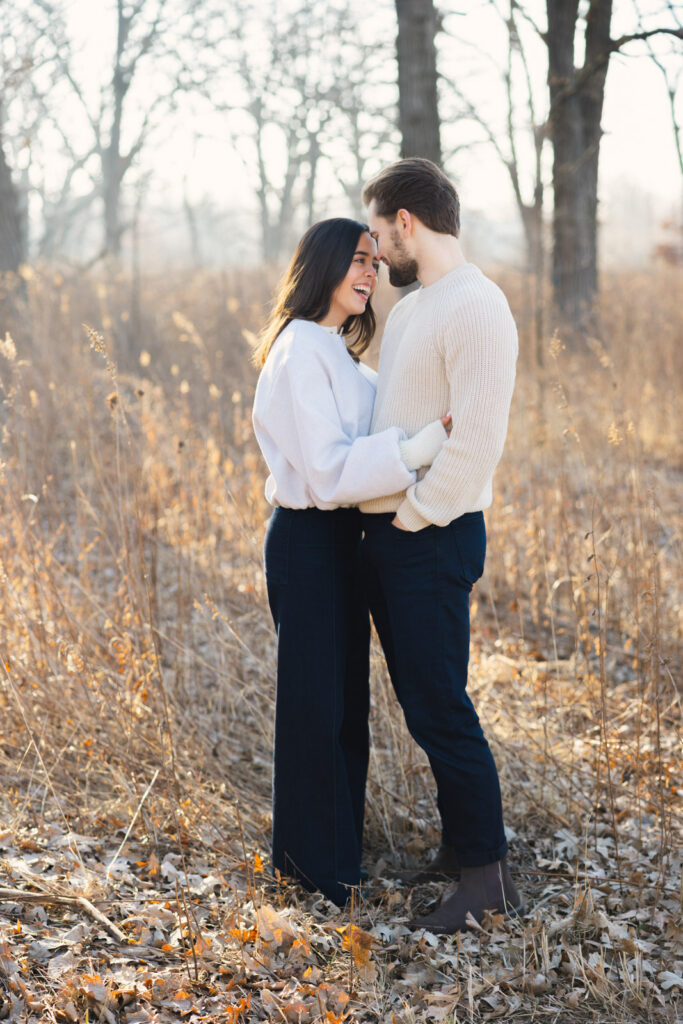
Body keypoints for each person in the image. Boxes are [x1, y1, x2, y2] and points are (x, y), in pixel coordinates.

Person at [251, 217, 450, 906]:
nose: (368, 274)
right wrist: (421, 446)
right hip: (308, 541)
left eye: (373, 262)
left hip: (342, 545)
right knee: (313, 706)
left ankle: (337, 859)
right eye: (356, 262)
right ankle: (308, 871)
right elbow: (331, 471)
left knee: (344, 706)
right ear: (323, 268)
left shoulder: (337, 351)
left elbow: (376, 424)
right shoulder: (299, 349)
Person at [359, 158, 522, 932]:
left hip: (433, 536)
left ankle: (485, 879)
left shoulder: (475, 306)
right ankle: (461, 851)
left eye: (378, 230)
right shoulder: (417, 306)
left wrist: (414, 515)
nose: (374, 248)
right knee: (426, 705)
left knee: (442, 709)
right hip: (400, 537)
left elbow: (479, 439)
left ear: (407, 224)